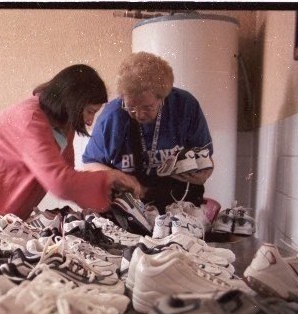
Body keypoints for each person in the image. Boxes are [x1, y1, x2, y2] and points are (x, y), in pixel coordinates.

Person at [0, 64, 142, 231]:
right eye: (89, 112)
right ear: (73, 102)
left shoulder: (64, 124)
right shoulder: (30, 119)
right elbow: (60, 182)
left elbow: (67, 173)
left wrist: (96, 209)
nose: (90, 122)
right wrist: (109, 178)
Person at [82, 51, 214, 210]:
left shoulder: (185, 106)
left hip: (179, 204)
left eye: (147, 107)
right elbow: (90, 164)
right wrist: (118, 177)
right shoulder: (112, 116)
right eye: (131, 106)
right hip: (130, 205)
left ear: (163, 98)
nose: (138, 114)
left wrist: (200, 172)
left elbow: (206, 160)